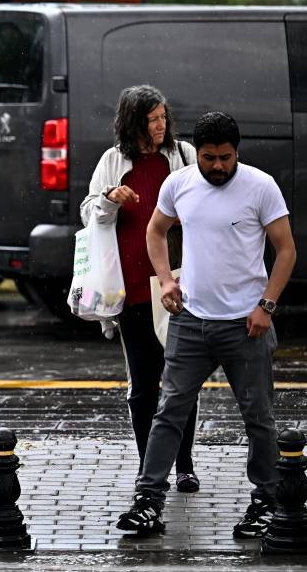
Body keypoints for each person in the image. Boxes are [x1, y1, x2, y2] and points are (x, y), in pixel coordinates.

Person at [116, 111, 296, 538]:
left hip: (246, 325)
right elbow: (156, 231)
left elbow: (286, 251)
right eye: (210, 158)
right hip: (190, 321)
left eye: (226, 158)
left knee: (259, 418)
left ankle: (267, 502)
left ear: (238, 153)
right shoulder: (178, 184)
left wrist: (265, 306)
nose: (218, 166)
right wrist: (164, 280)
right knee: (169, 413)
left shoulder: (260, 186)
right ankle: (148, 501)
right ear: (197, 153)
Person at [81, 85, 200, 493]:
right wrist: (111, 198)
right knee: (144, 384)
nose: (161, 125)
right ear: (133, 122)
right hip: (131, 286)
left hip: (179, 280)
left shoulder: (182, 156)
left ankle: (183, 464)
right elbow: (89, 213)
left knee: (182, 379)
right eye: (153, 119)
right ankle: (150, 466)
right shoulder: (113, 161)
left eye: (164, 117)